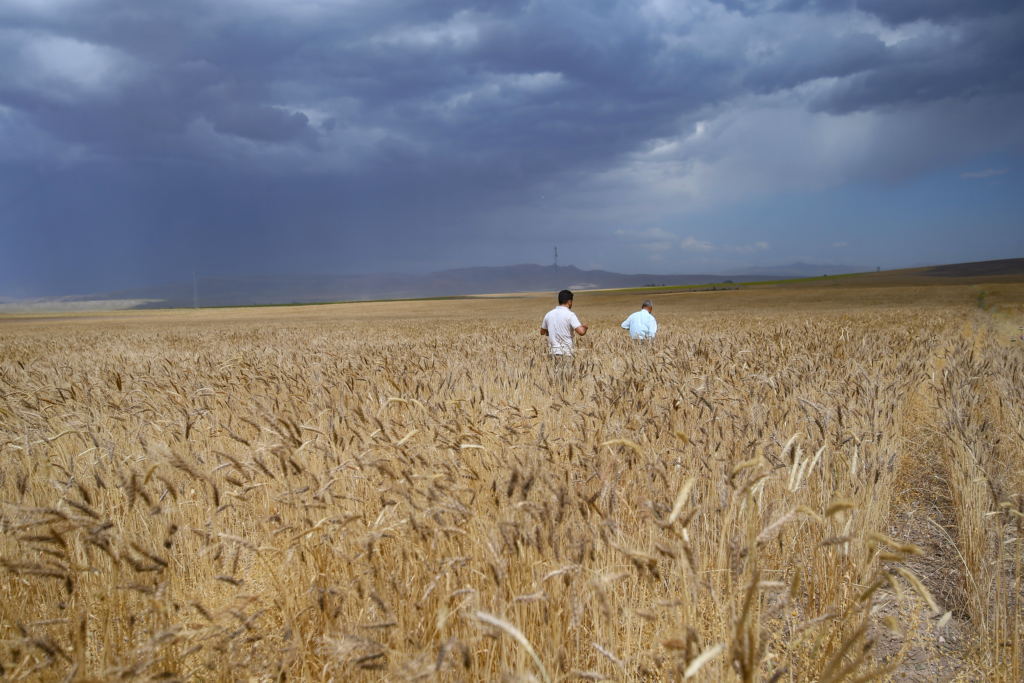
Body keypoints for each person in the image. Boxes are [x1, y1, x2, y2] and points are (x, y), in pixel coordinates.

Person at [541, 289, 588, 356]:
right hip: (566, 353)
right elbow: (581, 332)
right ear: (569, 301)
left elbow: (543, 332)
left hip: (552, 353)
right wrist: (585, 326)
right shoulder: (570, 315)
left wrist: (553, 332)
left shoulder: (549, 314)